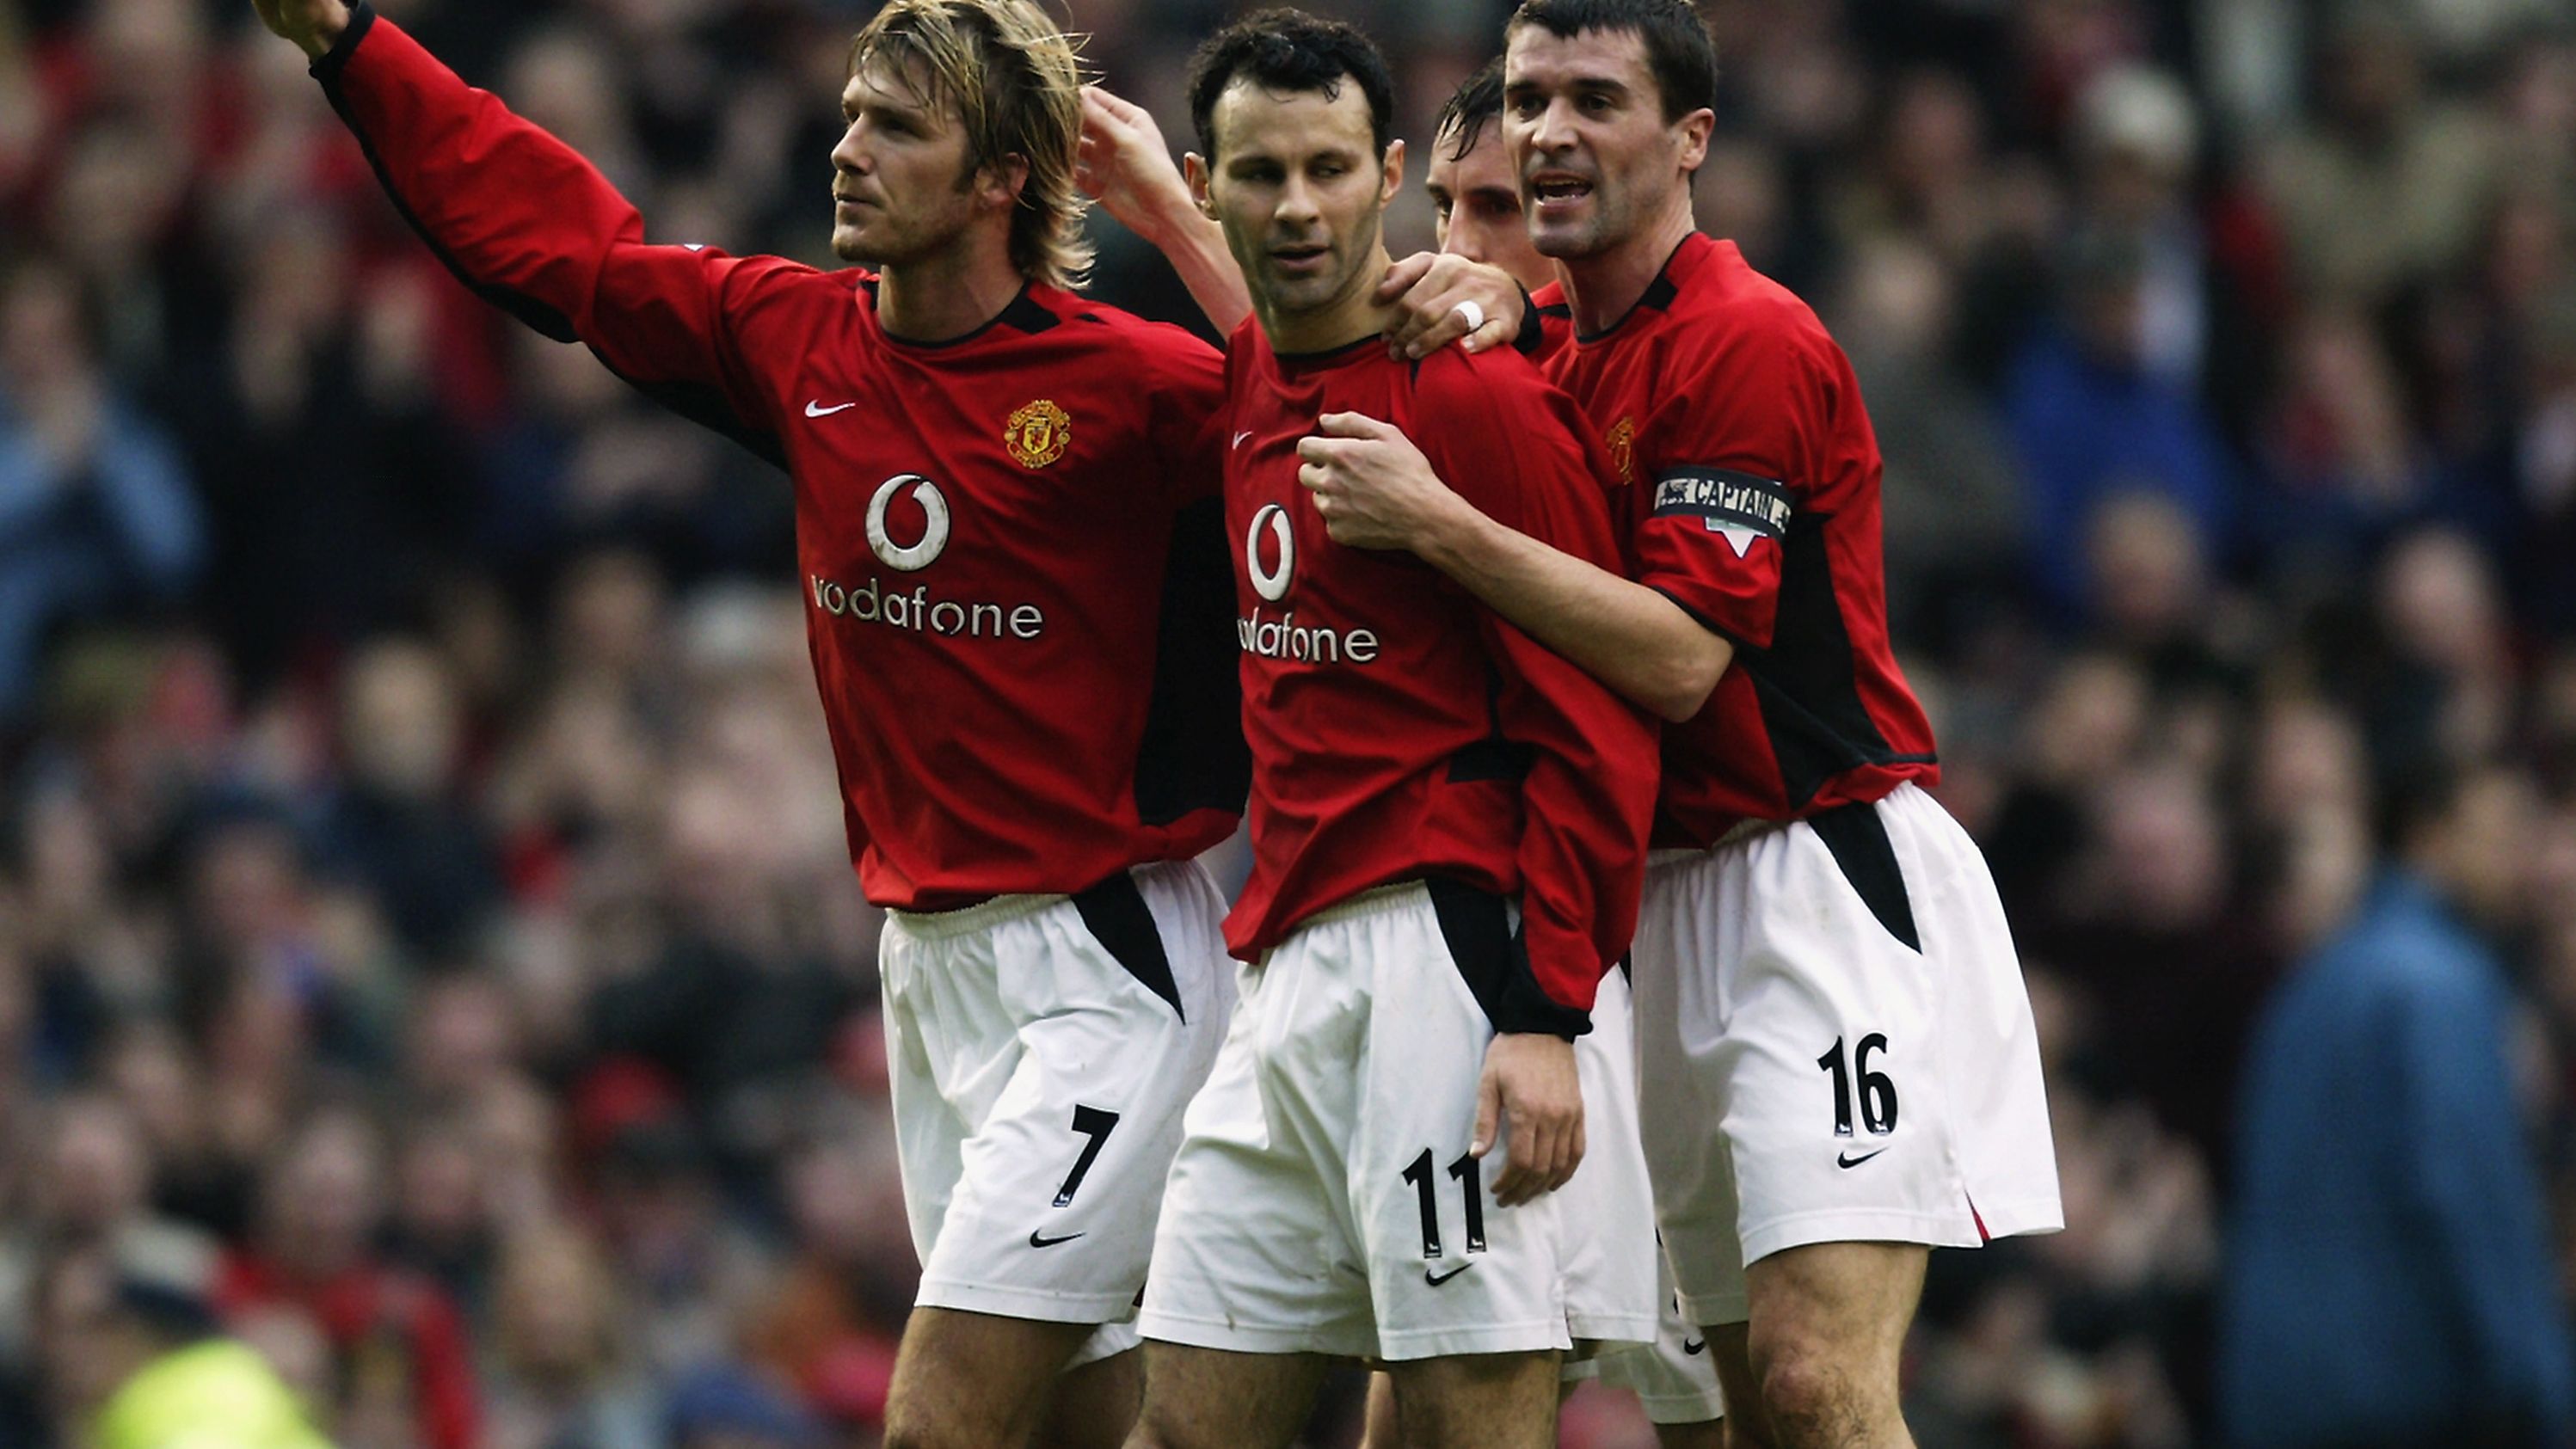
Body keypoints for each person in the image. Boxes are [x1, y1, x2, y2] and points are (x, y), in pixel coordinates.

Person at [243, 1, 1248, 1445]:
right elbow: (563, 245)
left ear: (1000, 181)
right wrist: (352, 43)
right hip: (932, 971)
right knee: (1083, 1422)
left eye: (898, 126)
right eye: (849, 112)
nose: (846, 149)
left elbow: (1326, 438)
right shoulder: (798, 339)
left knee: (941, 1419)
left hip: (1107, 966)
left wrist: (1179, 214)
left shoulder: (1128, 386)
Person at [1285, 3, 2064, 1446]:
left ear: (1692, 137)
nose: (1553, 131)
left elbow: (1685, 665)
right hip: (1644, 905)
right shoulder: (1544, 348)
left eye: (1595, 98)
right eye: (1529, 100)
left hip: (1812, 883)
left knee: (1816, 1381)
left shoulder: (1746, 338)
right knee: (1721, 1412)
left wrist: (1440, 526)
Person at [1120, 13, 1657, 1449]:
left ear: (1388, 173)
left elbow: (1597, 724)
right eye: (1259, 174)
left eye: (1328, 169)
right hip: (1282, 967)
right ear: (1210, 183)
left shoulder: (1469, 399)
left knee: (1468, 1423)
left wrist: (1546, 1011)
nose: (1296, 207)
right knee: (1182, 1424)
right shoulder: (1252, 391)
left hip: (1450, 962)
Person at [1368, 60, 1723, 1449]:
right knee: (1448, 1364)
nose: (1459, 248)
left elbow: (1668, 677)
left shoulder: (1692, 350)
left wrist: (1546, 1007)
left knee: (1747, 1400)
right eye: (1446, 208)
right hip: (1561, 925)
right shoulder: (1474, 369)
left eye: (1500, 212)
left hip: (1699, 917)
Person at [2218, 764, 2575, 1449]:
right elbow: (2468, 1193)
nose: (2520, 860)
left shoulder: (2311, 980)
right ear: (2427, 835)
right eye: (2500, 832)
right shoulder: (2440, 984)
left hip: (2277, 1392)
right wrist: (2535, 1377)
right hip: (2402, 1395)